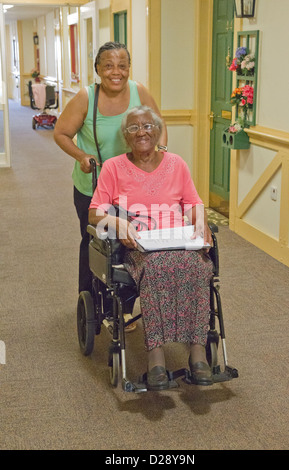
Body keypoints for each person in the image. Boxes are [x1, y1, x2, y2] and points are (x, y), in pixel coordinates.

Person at [88, 105, 214, 391]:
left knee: (197, 267)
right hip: (140, 246)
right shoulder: (114, 167)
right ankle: (156, 357)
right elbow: (94, 212)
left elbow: (193, 203)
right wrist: (117, 223)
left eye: (147, 126)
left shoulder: (177, 164)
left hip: (179, 238)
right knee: (157, 268)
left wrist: (200, 222)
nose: (141, 132)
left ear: (158, 131)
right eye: (133, 128)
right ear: (126, 136)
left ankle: (197, 352)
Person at [54, 42, 167, 331]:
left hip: (133, 189)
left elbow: (158, 124)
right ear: (98, 70)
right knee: (95, 243)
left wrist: (161, 148)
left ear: (129, 68)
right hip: (93, 186)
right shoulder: (85, 97)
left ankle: (124, 309)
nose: (115, 72)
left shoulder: (139, 91)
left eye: (122, 65)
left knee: (131, 246)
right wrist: (81, 156)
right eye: (108, 65)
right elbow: (62, 133)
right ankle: (89, 304)